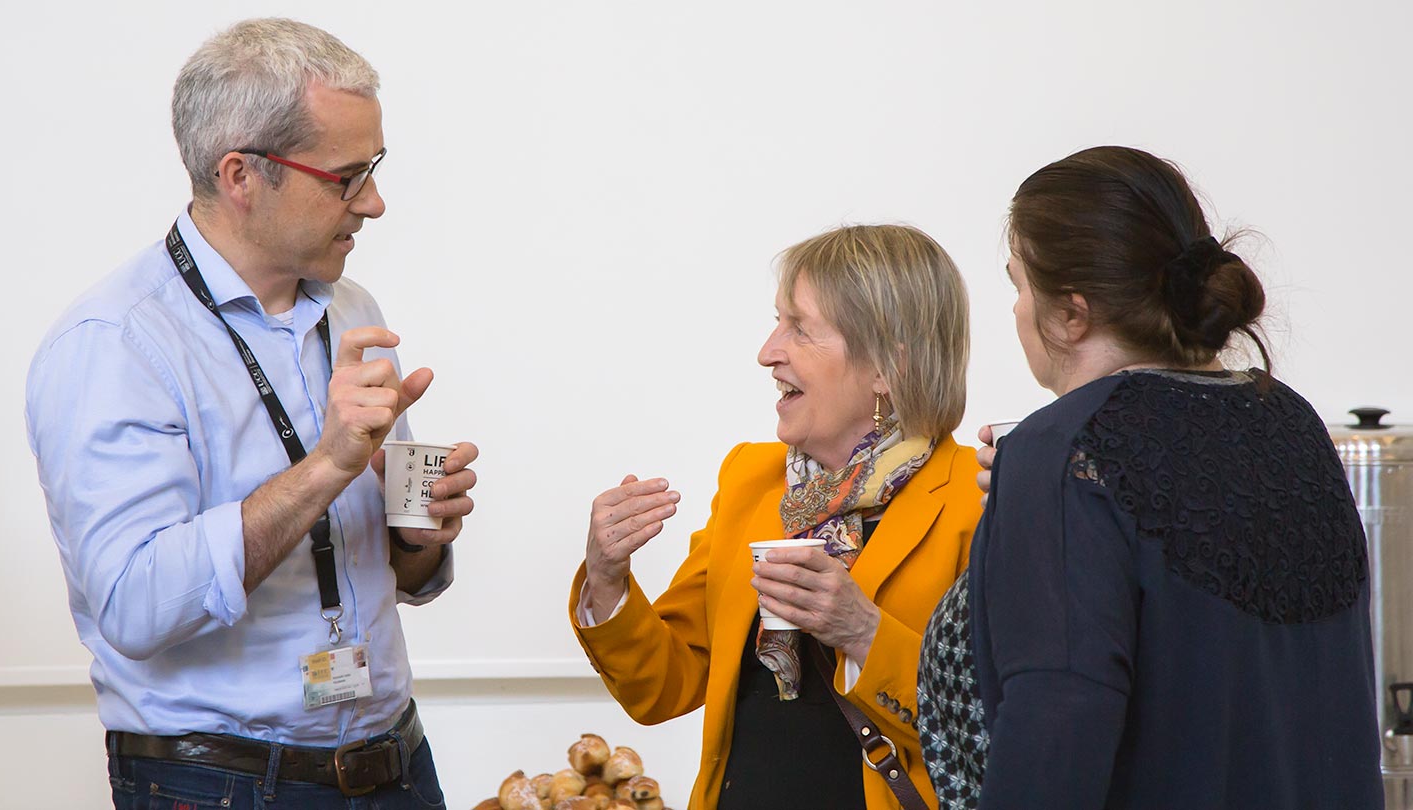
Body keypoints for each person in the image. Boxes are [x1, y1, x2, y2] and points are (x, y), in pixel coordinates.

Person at [24, 18, 476, 808]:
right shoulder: (115, 344)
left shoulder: (352, 308)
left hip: (394, 765)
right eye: (346, 176)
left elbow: (399, 573)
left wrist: (418, 536)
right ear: (241, 175)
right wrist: (329, 465)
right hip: (221, 785)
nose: (373, 201)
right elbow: (133, 604)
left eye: (374, 168)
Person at [915, 145, 1381, 809]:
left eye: (1018, 283)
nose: (1016, 309)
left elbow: (1055, 737)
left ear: (1071, 314)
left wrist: (1044, 485)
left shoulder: (1064, 451)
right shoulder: (1291, 422)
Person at [570, 224, 983, 809]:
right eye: (776, 321)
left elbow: (992, 727)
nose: (768, 352)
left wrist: (863, 633)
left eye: (800, 328)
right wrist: (606, 577)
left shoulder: (979, 497)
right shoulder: (749, 481)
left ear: (886, 367)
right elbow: (667, 684)